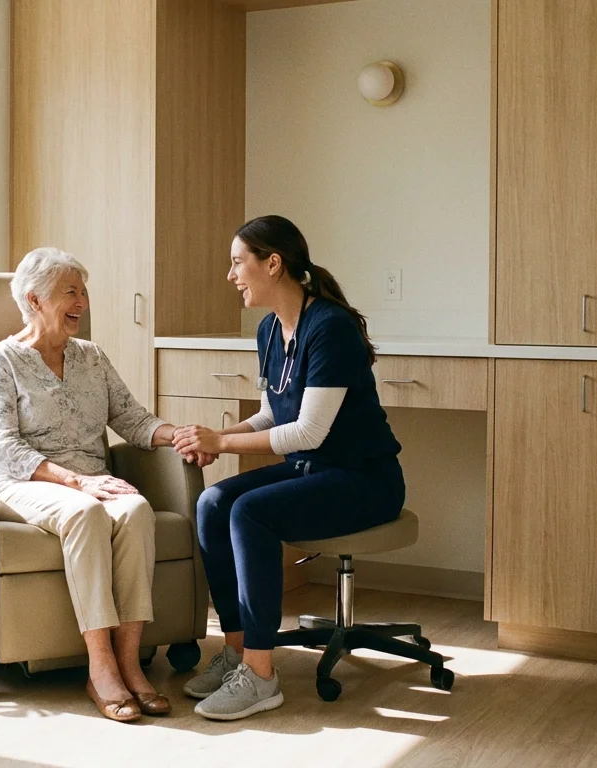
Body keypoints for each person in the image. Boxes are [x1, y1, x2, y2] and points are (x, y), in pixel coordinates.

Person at [172, 215, 405, 721]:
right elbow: (274, 415)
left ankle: (260, 676)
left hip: (363, 479)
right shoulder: (269, 330)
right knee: (213, 503)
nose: (231, 274)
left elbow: (307, 433)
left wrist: (223, 440)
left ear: (272, 263)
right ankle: (237, 651)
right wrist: (218, 438)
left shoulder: (330, 328)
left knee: (250, 512)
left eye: (238, 262)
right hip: (313, 470)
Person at [0, 247, 203, 723]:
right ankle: (99, 666)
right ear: (35, 300)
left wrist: (179, 435)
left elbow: (133, 418)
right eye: (71, 292)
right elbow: (2, 448)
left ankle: (129, 661)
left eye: (84, 291)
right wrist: (76, 480)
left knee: (138, 509)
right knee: (83, 512)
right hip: (24, 479)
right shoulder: (2, 361)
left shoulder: (92, 358)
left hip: (89, 481)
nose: (84, 302)